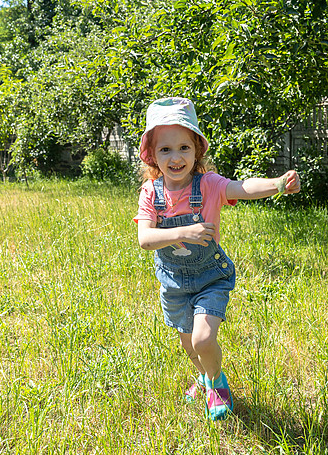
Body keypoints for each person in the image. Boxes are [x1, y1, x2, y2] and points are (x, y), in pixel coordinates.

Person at [134, 97, 300, 421]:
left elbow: (243, 188)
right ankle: (203, 376)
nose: (176, 157)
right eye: (165, 149)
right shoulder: (151, 193)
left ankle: (216, 382)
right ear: (152, 154)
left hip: (210, 277)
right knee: (189, 346)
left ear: (197, 149)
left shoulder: (209, 185)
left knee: (203, 338)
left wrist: (277, 184)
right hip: (174, 284)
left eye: (184, 147)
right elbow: (145, 239)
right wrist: (185, 232)